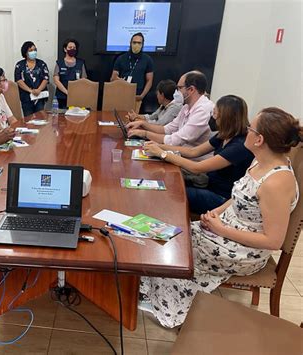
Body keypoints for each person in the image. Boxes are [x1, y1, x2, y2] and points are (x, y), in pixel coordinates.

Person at [139, 107, 301, 328]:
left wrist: (221, 229)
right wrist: (219, 212)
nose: (246, 131)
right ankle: (151, 289)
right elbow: (238, 196)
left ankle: (167, 304)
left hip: (244, 251)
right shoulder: (259, 162)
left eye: (250, 128)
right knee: (170, 233)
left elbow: (273, 240)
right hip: (225, 231)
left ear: (260, 139)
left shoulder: (277, 182)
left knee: (176, 248)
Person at [143, 95, 254, 214]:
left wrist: (163, 154)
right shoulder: (224, 135)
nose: (212, 117)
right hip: (209, 184)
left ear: (226, 117)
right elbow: (193, 152)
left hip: (221, 197)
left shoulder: (239, 146)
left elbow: (197, 168)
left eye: (215, 113)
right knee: (167, 181)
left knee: (172, 193)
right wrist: (159, 146)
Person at [126, 71, 213, 152]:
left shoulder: (203, 110)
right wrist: (142, 124)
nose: (176, 92)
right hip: (178, 154)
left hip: (191, 162)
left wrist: (145, 133)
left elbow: (176, 140)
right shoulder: (186, 107)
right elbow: (166, 129)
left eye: (179, 88)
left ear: (191, 90)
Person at [111, 32, 154, 113]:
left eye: (139, 43)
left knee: (135, 120)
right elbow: (113, 77)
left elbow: (149, 80)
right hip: (121, 94)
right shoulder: (121, 58)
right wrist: (121, 81)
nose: (136, 45)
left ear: (142, 44)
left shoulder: (148, 60)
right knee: (120, 116)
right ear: (130, 43)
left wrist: (142, 96)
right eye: (134, 42)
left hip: (138, 96)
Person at [14, 41, 50, 116]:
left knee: (40, 118)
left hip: (40, 96)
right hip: (26, 97)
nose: (33, 52)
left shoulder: (41, 64)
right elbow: (19, 80)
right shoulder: (20, 65)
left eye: (34, 50)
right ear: (25, 52)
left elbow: (46, 78)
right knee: (28, 119)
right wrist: (30, 90)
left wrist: (38, 90)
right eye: (30, 50)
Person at [53, 39, 87, 109]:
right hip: (62, 96)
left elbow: (84, 80)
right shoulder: (59, 63)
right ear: (65, 49)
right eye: (70, 47)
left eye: (74, 48)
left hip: (77, 96)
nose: (72, 49)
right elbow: (56, 80)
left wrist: (74, 93)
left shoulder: (81, 63)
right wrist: (67, 92)